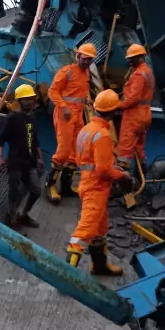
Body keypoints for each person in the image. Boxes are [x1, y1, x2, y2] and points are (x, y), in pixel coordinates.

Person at [66, 89, 134, 275]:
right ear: (112, 112)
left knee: (99, 228)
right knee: (84, 232)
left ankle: (99, 266)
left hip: (88, 183)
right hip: (95, 188)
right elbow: (103, 169)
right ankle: (66, 274)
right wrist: (122, 176)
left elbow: (86, 161)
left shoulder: (86, 130)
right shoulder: (102, 135)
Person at [46, 42, 97, 203]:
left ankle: (66, 187)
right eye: (85, 58)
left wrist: (87, 101)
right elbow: (52, 91)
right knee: (63, 151)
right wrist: (64, 106)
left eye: (90, 59)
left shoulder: (86, 73)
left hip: (78, 115)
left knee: (76, 152)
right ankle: (50, 186)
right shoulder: (67, 71)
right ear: (78, 56)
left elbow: (81, 92)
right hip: (64, 115)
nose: (87, 62)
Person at [0, 84, 45, 228]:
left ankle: (23, 215)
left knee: (36, 190)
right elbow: (0, 139)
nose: (29, 101)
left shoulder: (33, 116)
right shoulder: (11, 119)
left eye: (30, 98)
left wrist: (40, 157)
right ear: (19, 100)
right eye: (25, 99)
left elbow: (35, 140)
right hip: (15, 162)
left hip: (30, 162)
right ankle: (11, 217)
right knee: (14, 192)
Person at [117, 43, 155, 173]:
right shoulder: (147, 72)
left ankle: (124, 183)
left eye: (131, 58)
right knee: (138, 147)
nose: (129, 61)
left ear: (140, 57)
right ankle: (141, 177)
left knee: (124, 149)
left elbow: (134, 98)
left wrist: (118, 106)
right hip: (145, 115)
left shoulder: (138, 75)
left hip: (133, 115)